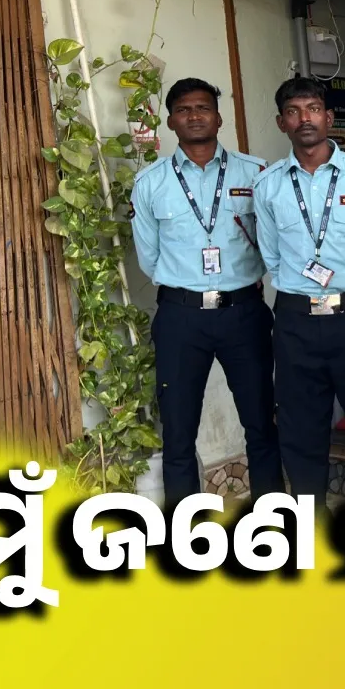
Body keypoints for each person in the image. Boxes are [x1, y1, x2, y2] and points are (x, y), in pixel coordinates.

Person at [130, 77, 284, 505]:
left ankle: (272, 519)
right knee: (179, 430)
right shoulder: (150, 183)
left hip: (244, 312)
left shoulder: (256, 173)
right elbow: (149, 257)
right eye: (184, 109)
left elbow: (272, 240)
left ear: (219, 117)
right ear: (170, 121)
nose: (194, 116)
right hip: (181, 317)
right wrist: (189, 285)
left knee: (260, 423)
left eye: (203, 108)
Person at [253, 76, 345, 500]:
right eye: (293, 111)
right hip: (296, 323)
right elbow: (271, 257)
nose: (304, 119)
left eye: (312, 109)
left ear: (328, 117)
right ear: (281, 123)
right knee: (300, 432)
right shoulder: (269, 185)